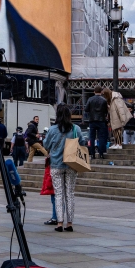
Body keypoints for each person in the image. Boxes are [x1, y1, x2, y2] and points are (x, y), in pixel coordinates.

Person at [41, 103, 82, 232]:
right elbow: (82, 143)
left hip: (56, 165)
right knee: (70, 194)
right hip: (71, 165)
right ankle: (69, 223)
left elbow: (46, 144)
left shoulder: (52, 130)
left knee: (58, 194)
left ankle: (59, 223)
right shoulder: (76, 129)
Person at [84, 86, 109, 159]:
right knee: (101, 137)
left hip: (92, 120)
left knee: (92, 137)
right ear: (101, 92)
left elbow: (86, 109)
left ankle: (92, 154)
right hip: (101, 121)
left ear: (94, 91)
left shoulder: (90, 99)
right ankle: (101, 154)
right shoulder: (104, 100)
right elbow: (106, 111)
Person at [40, 157, 58, 226]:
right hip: (53, 183)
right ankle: (57, 217)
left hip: (52, 184)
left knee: (55, 201)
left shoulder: (52, 160)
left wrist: (48, 185)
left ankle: (55, 218)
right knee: (56, 200)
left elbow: (49, 175)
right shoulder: (51, 159)